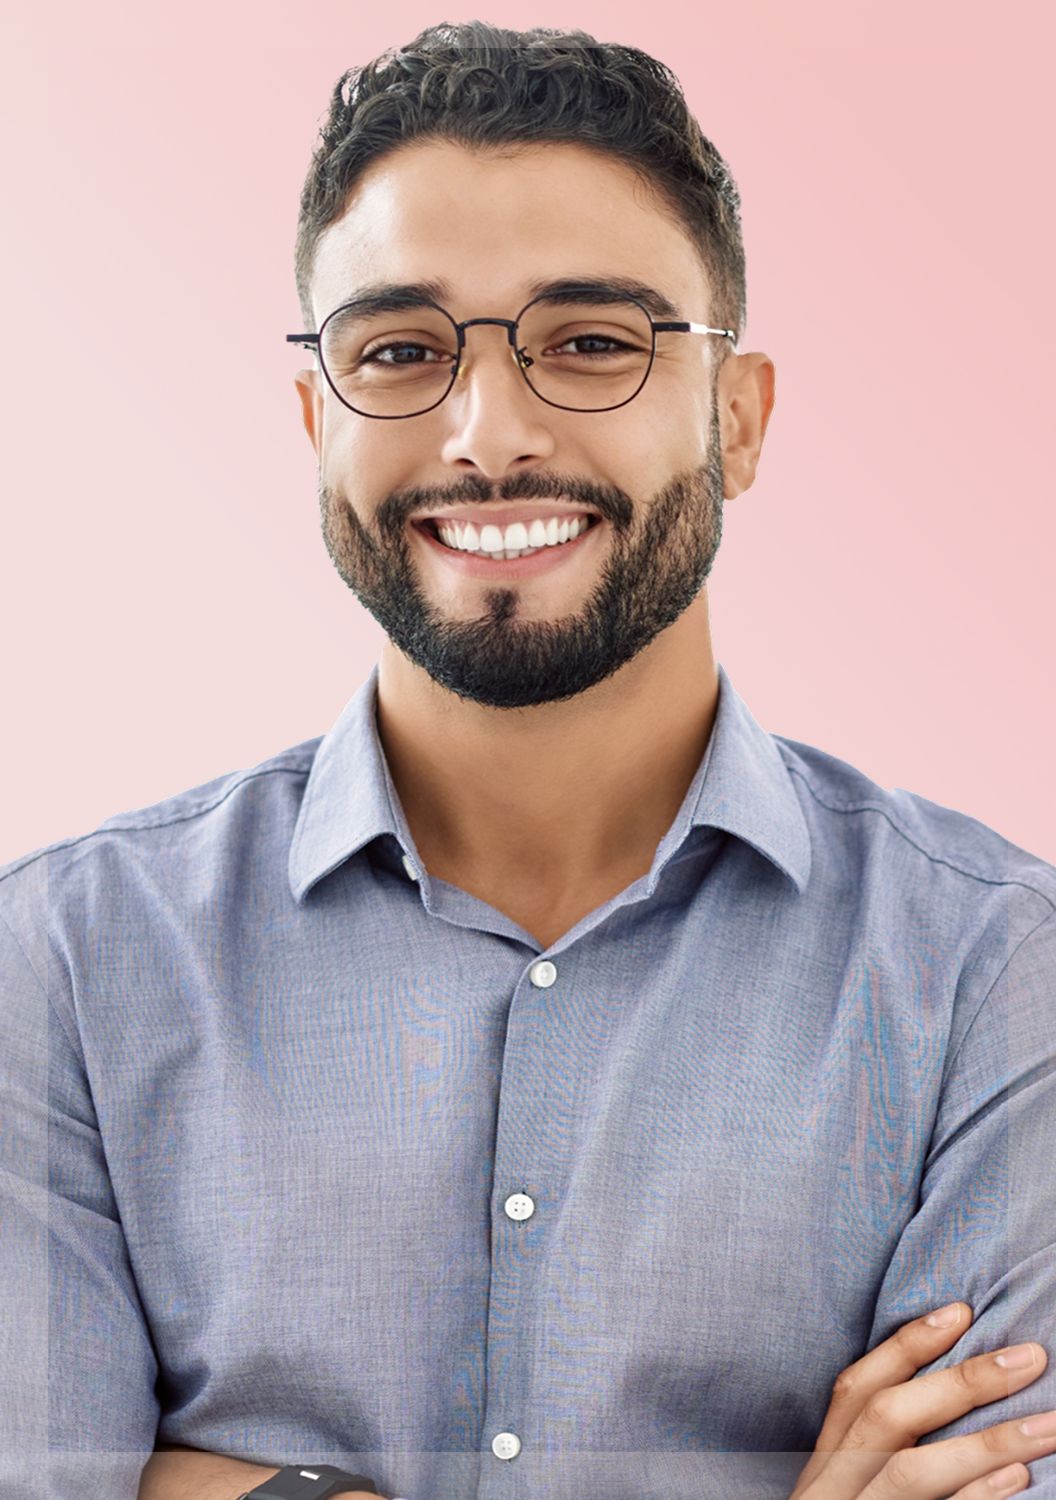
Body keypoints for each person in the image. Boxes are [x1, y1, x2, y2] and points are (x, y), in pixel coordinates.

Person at [1, 20, 1053, 1500]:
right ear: (316, 423)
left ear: (736, 419)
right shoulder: (59, 964)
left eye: (592, 343)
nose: (489, 435)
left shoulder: (996, 972)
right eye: (401, 354)